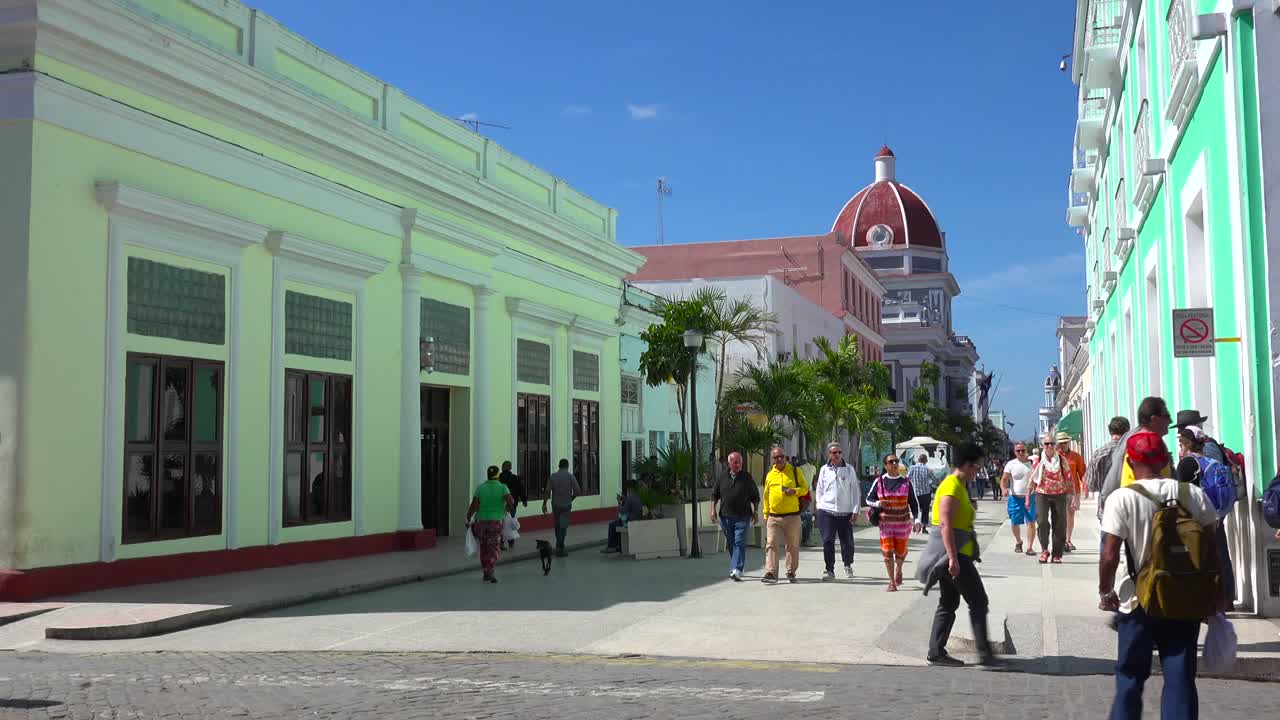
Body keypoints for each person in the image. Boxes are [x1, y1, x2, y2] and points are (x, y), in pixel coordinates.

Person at [1098, 432, 1220, 720]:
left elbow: (1109, 554)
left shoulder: (1122, 499)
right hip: (1183, 598)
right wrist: (1216, 593)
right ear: (1166, 460)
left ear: (1130, 461)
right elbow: (1213, 549)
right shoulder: (1193, 494)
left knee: (1129, 676)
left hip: (1137, 600)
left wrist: (1105, 591)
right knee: (1179, 675)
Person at [925, 443, 997, 667]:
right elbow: (945, 524)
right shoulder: (952, 486)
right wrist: (954, 559)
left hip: (955, 554)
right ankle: (984, 653)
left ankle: (936, 651)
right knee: (978, 600)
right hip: (954, 556)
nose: (978, 471)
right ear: (966, 464)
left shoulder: (960, 485)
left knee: (949, 602)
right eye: (976, 467)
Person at [1176, 426, 1236, 604]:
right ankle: (1227, 599)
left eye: (1181, 444)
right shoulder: (1211, 461)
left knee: (1198, 560)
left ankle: (1202, 601)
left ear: (1186, 444)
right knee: (1221, 556)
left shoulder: (1188, 463)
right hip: (1216, 515)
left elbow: (1179, 492)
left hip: (1196, 520)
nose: (1180, 449)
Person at [1100, 397, 1174, 513]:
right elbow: (1112, 481)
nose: (1171, 421)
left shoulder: (1156, 442)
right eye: (1167, 416)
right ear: (1154, 419)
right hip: (1135, 512)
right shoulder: (1134, 442)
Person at [867, 452, 922, 591]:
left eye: (896, 461)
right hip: (885, 524)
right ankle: (891, 582)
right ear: (885, 466)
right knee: (887, 552)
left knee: (901, 551)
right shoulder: (879, 481)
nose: (894, 464)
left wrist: (917, 520)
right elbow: (868, 499)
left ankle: (899, 569)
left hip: (903, 524)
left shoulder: (906, 482)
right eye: (891, 462)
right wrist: (879, 503)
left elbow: (914, 503)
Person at [1027, 433, 1077, 564]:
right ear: (1042, 446)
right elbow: (1032, 479)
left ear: (1055, 445)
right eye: (1046, 444)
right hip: (1042, 493)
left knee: (1060, 524)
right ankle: (1044, 550)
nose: (1049, 446)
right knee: (1042, 521)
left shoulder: (1061, 460)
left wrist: (1073, 497)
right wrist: (1027, 498)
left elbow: (1069, 478)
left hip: (1060, 494)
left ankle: (1057, 554)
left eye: (1051, 444)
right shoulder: (1038, 461)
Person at [812, 442, 859, 582]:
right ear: (829, 454)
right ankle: (829, 569)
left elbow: (856, 491)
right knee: (827, 541)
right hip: (827, 511)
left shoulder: (849, 469)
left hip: (845, 513)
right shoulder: (824, 470)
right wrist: (820, 506)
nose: (837, 455)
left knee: (848, 543)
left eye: (839, 452)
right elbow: (819, 489)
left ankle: (847, 563)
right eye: (834, 453)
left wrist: (855, 510)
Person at [710, 451, 760, 581]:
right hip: (726, 516)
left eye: (740, 462)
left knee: (739, 542)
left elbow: (755, 497)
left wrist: (755, 512)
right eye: (736, 462)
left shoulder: (747, 477)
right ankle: (739, 567)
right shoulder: (722, 477)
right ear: (729, 463)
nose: (739, 465)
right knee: (732, 543)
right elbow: (714, 495)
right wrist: (712, 510)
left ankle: (736, 568)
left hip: (743, 516)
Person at [762, 447, 808, 584]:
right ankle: (771, 573)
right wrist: (765, 514)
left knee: (792, 545)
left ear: (785, 457)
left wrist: (794, 491)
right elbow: (766, 496)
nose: (779, 459)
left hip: (792, 516)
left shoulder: (795, 471)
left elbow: (805, 489)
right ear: (772, 459)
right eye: (776, 457)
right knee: (771, 544)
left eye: (781, 456)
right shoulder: (770, 475)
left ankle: (790, 572)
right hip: (773, 516)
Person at [465, 465, 514, 583]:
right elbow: (511, 501)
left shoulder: (480, 488)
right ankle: (490, 570)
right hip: (495, 522)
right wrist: (506, 510)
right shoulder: (503, 487)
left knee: (484, 547)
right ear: (498, 476)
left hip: (480, 522)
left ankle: (485, 571)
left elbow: (474, 505)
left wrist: (468, 516)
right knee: (493, 547)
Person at [1088, 417, 1132, 519]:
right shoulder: (1134, 452)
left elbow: (1091, 485)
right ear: (1127, 431)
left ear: (1110, 431)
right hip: (1130, 511)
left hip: (1106, 511)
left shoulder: (1098, 454)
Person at [1002, 443, 1037, 555]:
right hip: (1015, 497)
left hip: (1030, 497)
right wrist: (1003, 489)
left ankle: (1029, 547)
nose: (1021, 453)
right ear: (1015, 452)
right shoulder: (1010, 464)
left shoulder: (1032, 463)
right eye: (1018, 451)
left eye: (1023, 450)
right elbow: (1004, 479)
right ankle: (1018, 541)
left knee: (1031, 522)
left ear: (1026, 451)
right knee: (1014, 522)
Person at [542, 458, 581, 557]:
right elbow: (578, 491)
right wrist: (571, 498)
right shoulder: (570, 477)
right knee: (563, 526)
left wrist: (544, 503)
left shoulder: (553, 477)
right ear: (567, 466)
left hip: (555, 504)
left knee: (557, 525)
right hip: (566, 505)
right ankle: (560, 547)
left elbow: (547, 491)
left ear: (559, 466)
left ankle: (560, 544)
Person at [1056, 432, 1088, 553]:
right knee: (1060, 517)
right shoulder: (1055, 457)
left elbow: (1082, 473)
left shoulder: (1076, 456)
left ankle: (1068, 540)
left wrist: (1085, 486)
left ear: (1068, 442)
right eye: (1061, 443)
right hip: (1058, 491)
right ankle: (1061, 539)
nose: (1063, 445)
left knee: (1070, 516)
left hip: (1073, 491)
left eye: (1065, 442)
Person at [602, 481, 644, 554]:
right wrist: (625, 500)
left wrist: (619, 502)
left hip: (630, 521)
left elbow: (622, 511)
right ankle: (618, 545)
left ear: (629, 488)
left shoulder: (630, 497)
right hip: (638, 519)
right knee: (618, 523)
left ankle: (611, 546)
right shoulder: (638, 496)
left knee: (612, 525)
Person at [499, 461, 527, 550]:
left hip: (500, 505)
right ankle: (511, 542)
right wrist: (524, 500)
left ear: (502, 467)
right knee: (510, 523)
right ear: (510, 468)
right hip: (512, 505)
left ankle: (502, 543)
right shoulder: (515, 478)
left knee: (501, 524)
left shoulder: (499, 479)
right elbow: (521, 489)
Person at [907, 453, 934, 534]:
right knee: (925, 510)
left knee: (915, 510)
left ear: (918, 460)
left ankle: (916, 524)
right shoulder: (928, 469)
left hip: (914, 493)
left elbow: (907, 478)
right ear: (926, 461)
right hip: (925, 493)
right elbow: (934, 479)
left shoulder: (912, 468)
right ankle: (924, 528)